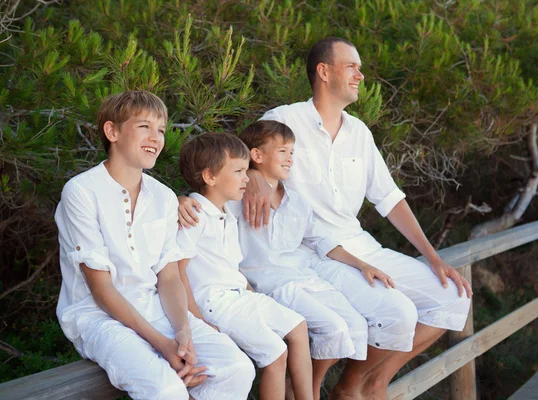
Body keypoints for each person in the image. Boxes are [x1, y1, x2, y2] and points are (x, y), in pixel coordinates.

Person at [179, 37, 473, 400]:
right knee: (395, 312)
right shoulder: (284, 118)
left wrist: (433, 258)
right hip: (309, 252)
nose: (361, 75)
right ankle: (321, 389)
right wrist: (252, 175)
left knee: (452, 298)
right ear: (324, 71)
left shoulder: (359, 133)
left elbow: (389, 198)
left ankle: (363, 383)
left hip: (357, 245)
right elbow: (234, 160)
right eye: (352, 66)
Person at [55, 91, 255, 400]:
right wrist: (162, 344)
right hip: (98, 317)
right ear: (112, 132)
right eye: (144, 126)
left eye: (161, 129)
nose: (156, 137)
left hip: (156, 307)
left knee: (237, 368)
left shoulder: (163, 197)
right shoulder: (82, 191)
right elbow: (101, 288)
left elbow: (170, 276)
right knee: (166, 389)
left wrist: (183, 330)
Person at [234, 120, 399, 399]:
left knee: (356, 327)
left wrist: (363, 264)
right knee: (333, 328)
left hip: (301, 278)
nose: (290, 158)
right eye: (282, 151)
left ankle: (298, 383)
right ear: (257, 155)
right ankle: (306, 391)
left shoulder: (297, 201)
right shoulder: (238, 195)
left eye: (292, 152)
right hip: (269, 283)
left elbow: (322, 240)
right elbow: (207, 203)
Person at [176, 132, 314, 400]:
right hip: (214, 304)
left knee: (298, 326)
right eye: (239, 171)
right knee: (276, 353)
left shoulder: (227, 213)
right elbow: (177, 272)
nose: (247, 178)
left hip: (239, 296)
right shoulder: (194, 214)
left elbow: (232, 267)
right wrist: (198, 322)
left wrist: (252, 295)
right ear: (210, 177)